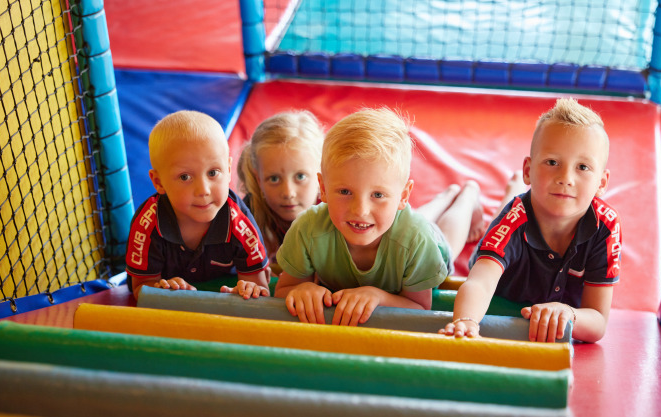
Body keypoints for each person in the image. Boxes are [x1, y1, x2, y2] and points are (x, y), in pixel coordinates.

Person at [440, 98, 621, 343]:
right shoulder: (513, 221)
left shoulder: (605, 227)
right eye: (552, 162)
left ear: (602, 183)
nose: (566, 178)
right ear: (529, 169)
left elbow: (598, 321)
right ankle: (469, 194)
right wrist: (466, 321)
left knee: (514, 207)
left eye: (582, 167)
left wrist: (569, 313)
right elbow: (480, 283)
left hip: (528, 206)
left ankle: (515, 186)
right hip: (507, 247)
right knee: (449, 249)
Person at [273, 107, 453, 326]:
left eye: (378, 194)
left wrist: (378, 297)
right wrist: (302, 289)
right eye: (345, 192)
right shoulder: (307, 229)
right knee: (409, 220)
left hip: (426, 238)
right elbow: (284, 288)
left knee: (446, 236)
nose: (360, 210)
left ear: (403, 196)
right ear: (323, 188)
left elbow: (421, 308)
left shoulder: (418, 240)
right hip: (393, 224)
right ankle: (443, 196)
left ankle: (462, 196)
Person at [125, 110, 270, 300]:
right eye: (185, 177)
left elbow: (259, 288)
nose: (203, 190)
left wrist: (249, 290)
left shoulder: (238, 222)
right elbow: (141, 289)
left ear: (227, 170)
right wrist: (161, 289)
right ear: (158, 182)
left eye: (213, 173)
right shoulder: (149, 224)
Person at [237, 111, 324, 265]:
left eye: (300, 177)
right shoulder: (249, 213)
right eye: (274, 179)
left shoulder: (333, 211)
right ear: (259, 180)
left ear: (320, 176)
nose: (288, 193)